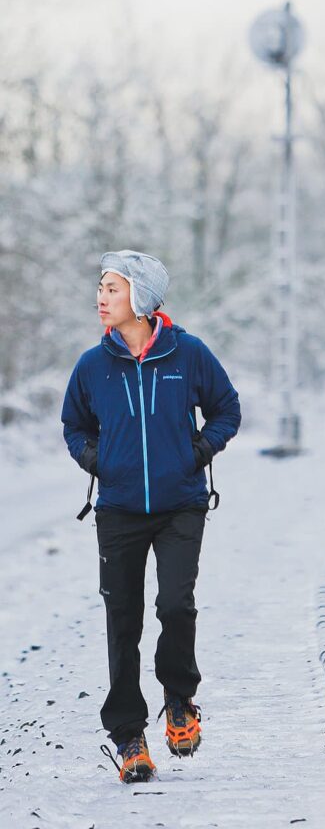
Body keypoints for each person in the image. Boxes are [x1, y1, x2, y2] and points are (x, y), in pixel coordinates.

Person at [61, 250, 241, 783]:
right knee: (123, 620)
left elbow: (227, 408)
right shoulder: (93, 365)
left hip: (181, 505)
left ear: (140, 297)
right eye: (100, 287)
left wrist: (198, 452)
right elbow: (74, 424)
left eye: (112, 289)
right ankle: (128, 735)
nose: (101, 298)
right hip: (117, 509)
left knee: (175, 603)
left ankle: (180, 699)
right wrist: (96, 461)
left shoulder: (188, 355)